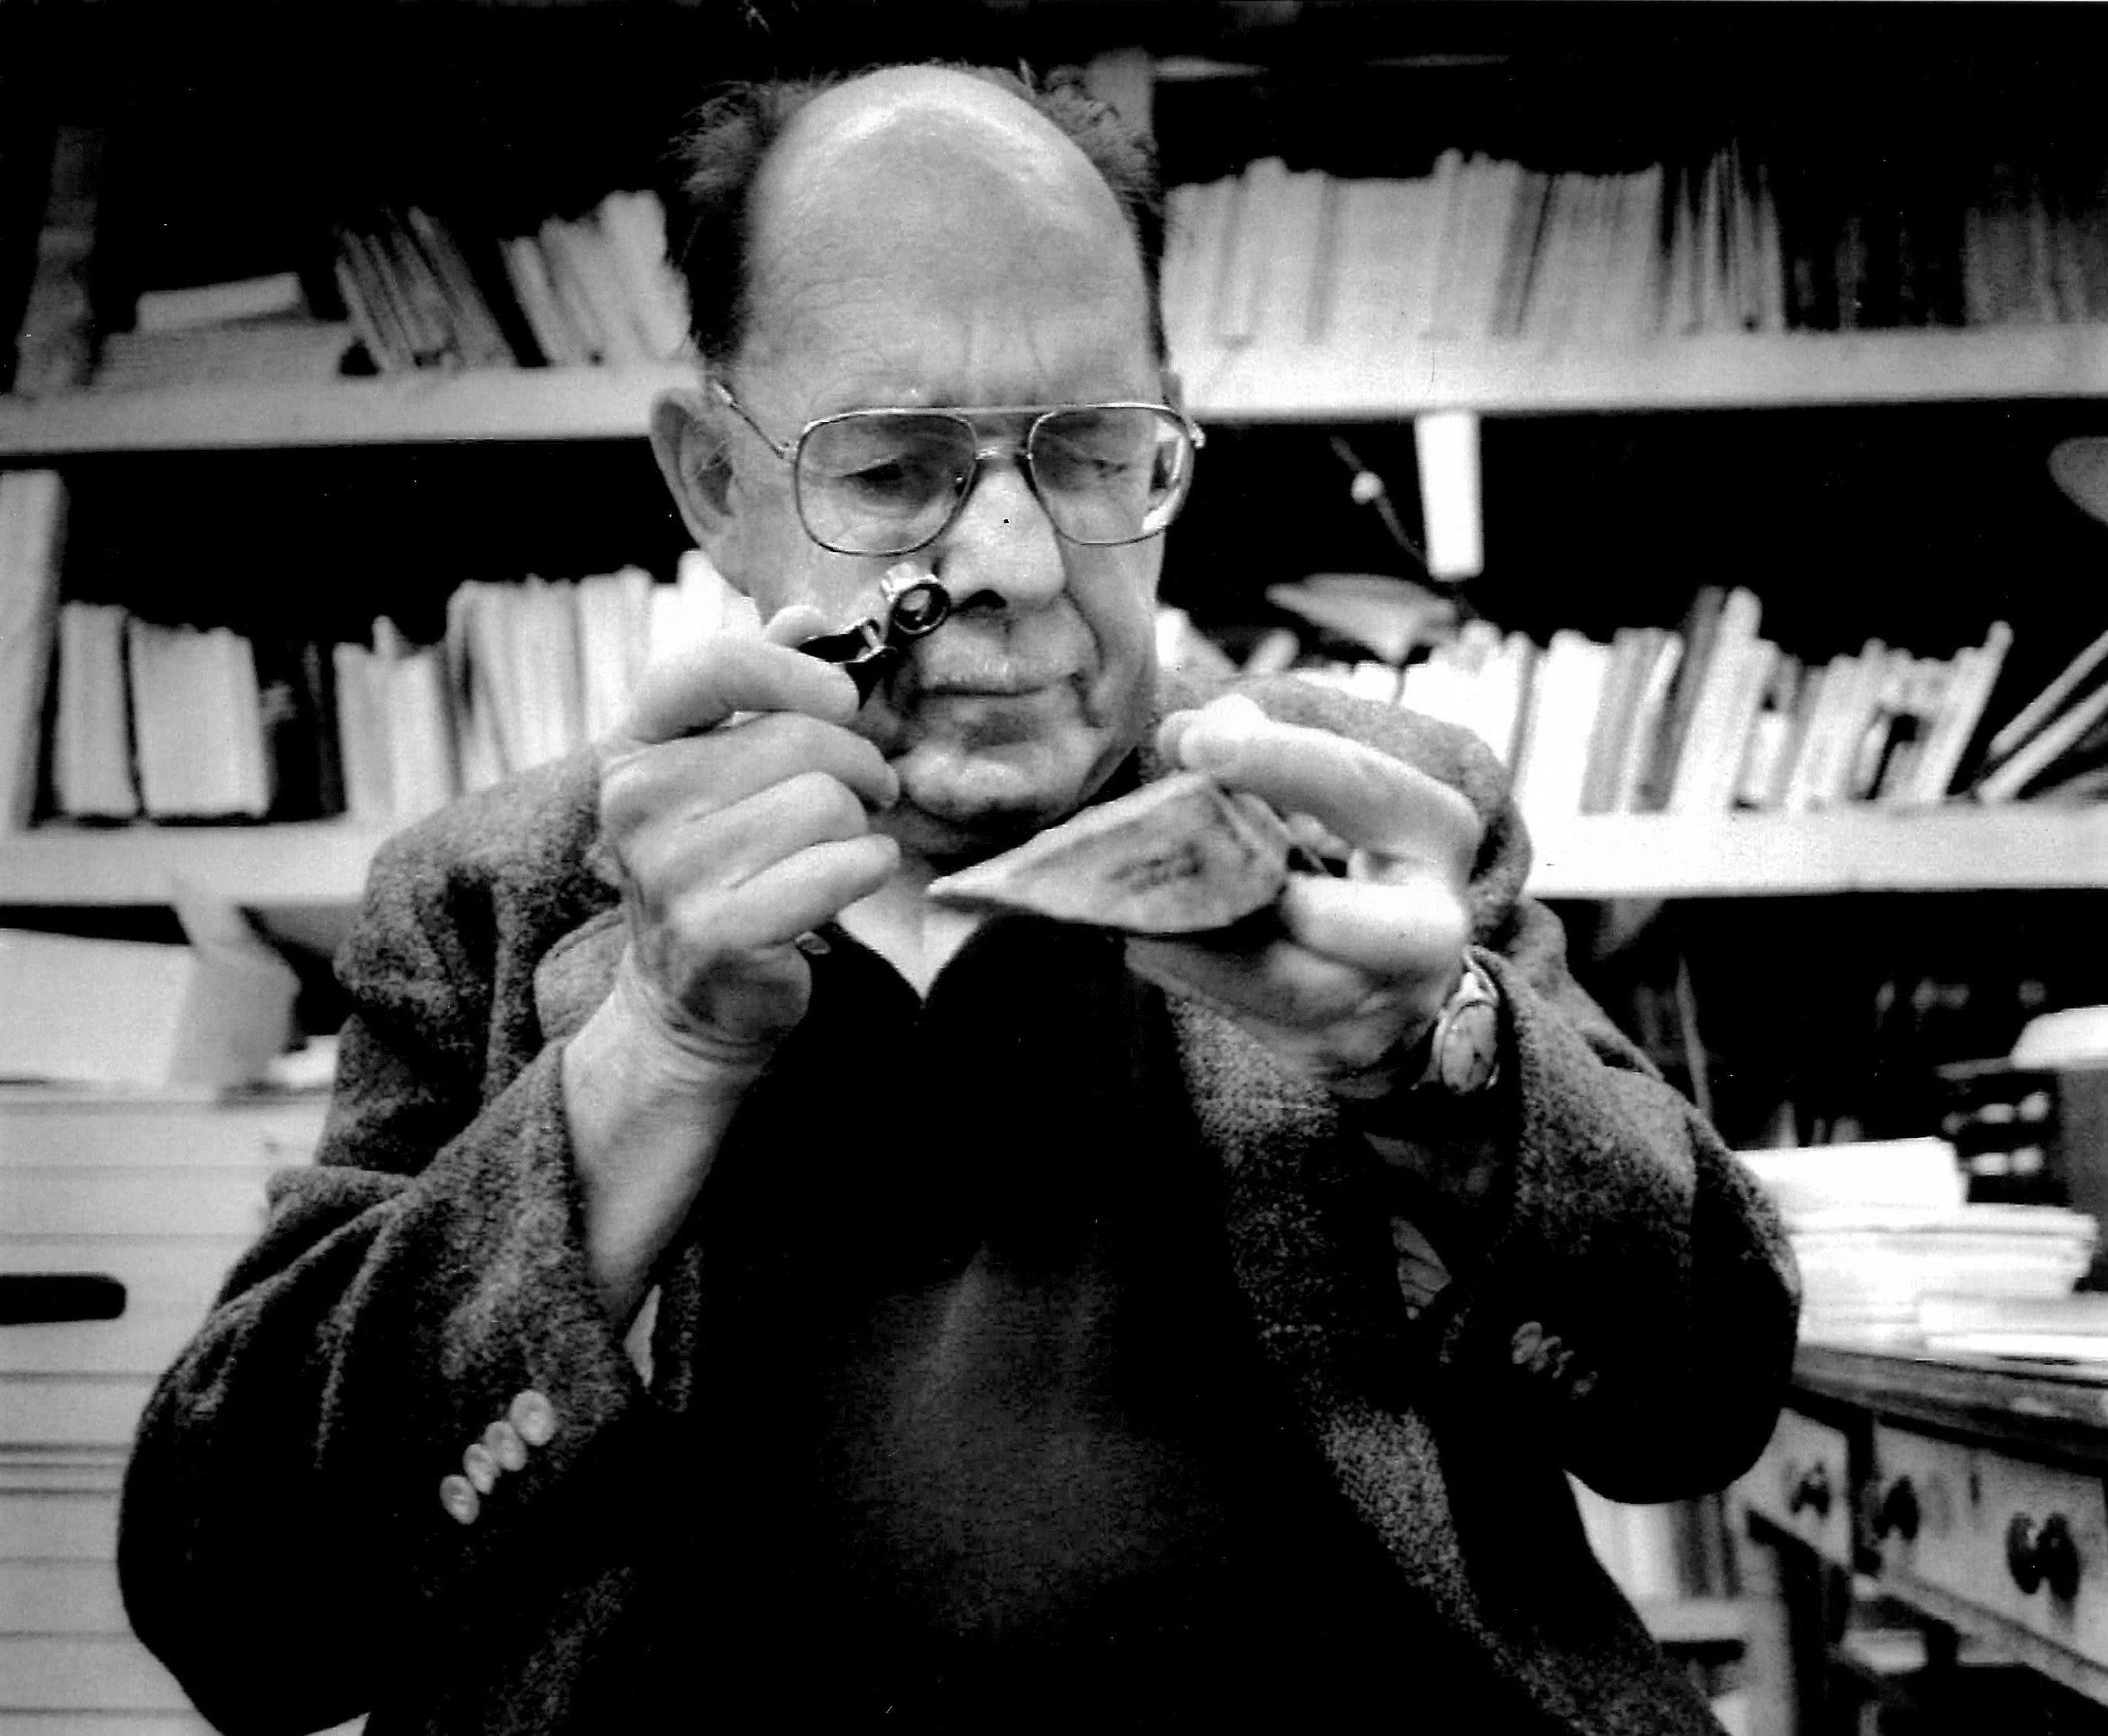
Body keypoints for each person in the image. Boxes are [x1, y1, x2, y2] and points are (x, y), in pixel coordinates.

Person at [118, 62, 1797, 1734]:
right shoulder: (488, 902)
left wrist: (1444, 1070)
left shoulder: (1373, 827)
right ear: (715, 479)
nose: (1012, 565)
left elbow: (1697, 1401)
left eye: (1088, 454)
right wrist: (649, 1056)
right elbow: (237, 1607)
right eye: (894, 465)